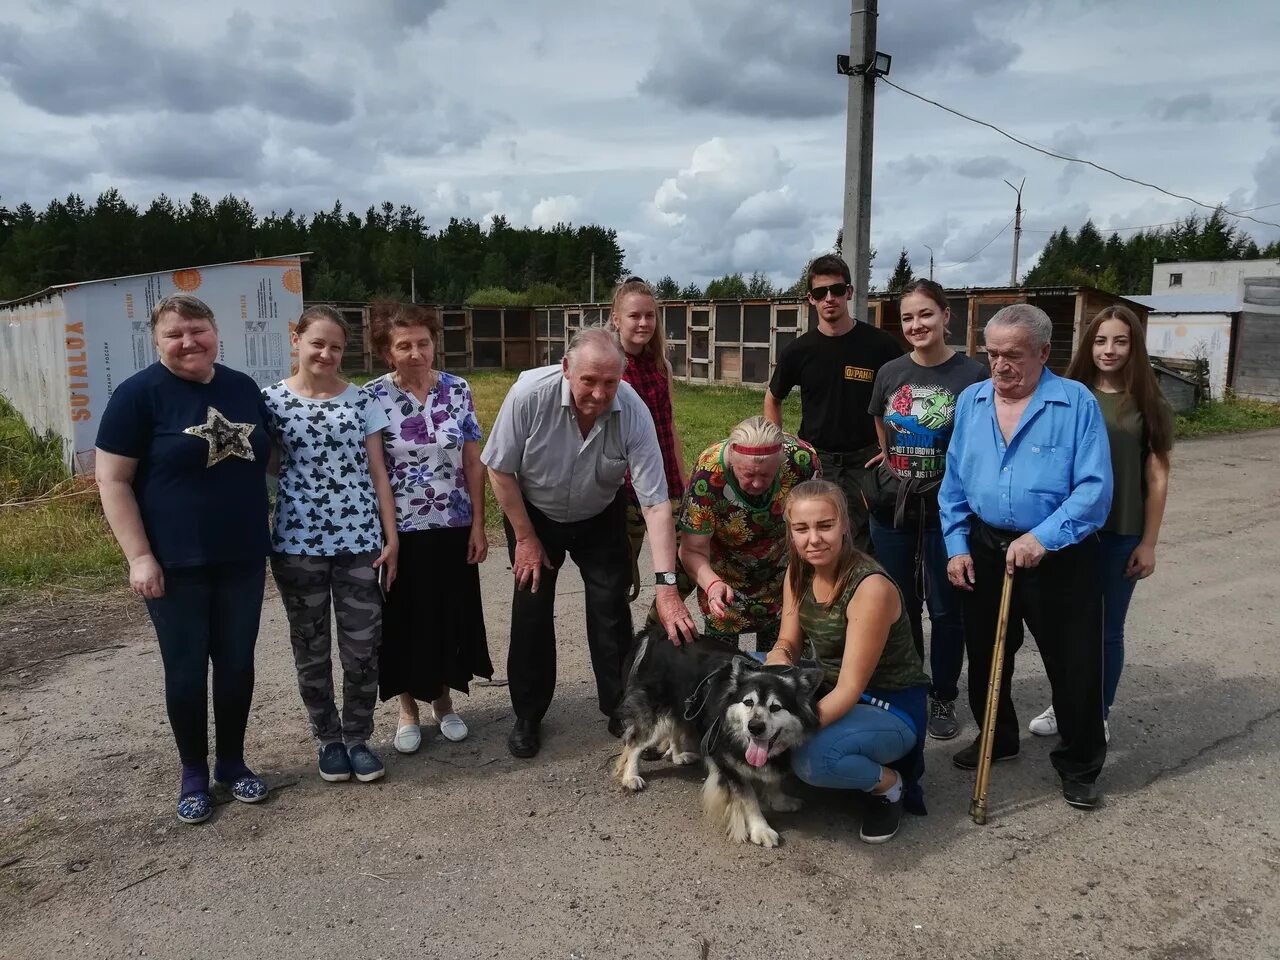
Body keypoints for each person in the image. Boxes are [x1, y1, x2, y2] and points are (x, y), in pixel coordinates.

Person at [96, 294, 272, 825]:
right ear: (156, 341)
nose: (188, 342)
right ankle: (193, 770)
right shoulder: (137, 396)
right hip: (174, 564)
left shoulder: (241, 388)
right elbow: (113, 480)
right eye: (174, 334)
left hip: (242, 555)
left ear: (216, 332)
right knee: (187, 669)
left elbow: (274, 458)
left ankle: (233, 763)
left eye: (197, 330)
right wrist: (140, 556)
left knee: (238, 664)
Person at [482, 327, 698, 759]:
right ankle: (528, 714)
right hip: (535, 510)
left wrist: (668, 588)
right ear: (566, 369)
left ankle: (620, 708)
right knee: (532, 605)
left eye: (610, 382)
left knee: (611, 607)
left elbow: (656, 503)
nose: (600, 393)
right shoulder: (528, 394)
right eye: (589, 380)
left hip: (600, 510)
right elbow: (500, 470)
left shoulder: (633, 411)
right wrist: (525, 538)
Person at [938, 303, 1113, 810]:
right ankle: (997, 737)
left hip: (1059, 552)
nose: (999, 366)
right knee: (988, 652)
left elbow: (1094, 491)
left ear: (1043, 352)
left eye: (1012, 355)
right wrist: (955, 546)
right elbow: (953, 484)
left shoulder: (1075, 403)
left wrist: (1043, 537)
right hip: (985, 546)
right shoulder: (971, 402)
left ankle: (1079, 762)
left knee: (1073, 659)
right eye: (991, 354)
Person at [263, 305, 398, 785]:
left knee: (363, 646)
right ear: (295, 340)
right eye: (317, 342)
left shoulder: (362, 401)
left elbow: (379, 473)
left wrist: (391, 536)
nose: (326, 353)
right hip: (297, 545)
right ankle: (328, 739)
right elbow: (268, 467)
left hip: (360, 542)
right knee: (310, 646)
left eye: (336, 346)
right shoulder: (270, 402)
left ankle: (359, 737)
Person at [1027, 305, 1172, 741]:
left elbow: (1157, 474)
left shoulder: (1148, 401)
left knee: (1107, 628)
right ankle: (1065, 704)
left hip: (1118, 531)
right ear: (1089, 344)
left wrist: (1148, 542)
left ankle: (1097, 713)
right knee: (1064, 627)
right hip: (1067, 528)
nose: (1110, 350)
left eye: (1121, 340)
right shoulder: (1066, 394)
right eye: (1102, 340)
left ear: (1134, 346)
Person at [763, 479, 930, 844]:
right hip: (828, 683)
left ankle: (889, 786)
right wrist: (771, 671)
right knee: (744, 676)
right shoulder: (798, 569)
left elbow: (851, 689)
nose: (813, 539)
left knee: (812, 760)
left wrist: (788, 730)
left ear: (845, 525)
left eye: (824, 526)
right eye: (801, 529)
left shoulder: (870, 588)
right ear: (790, 532)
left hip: (888, 703)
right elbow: (788, 641)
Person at [364, 300, 493, 755]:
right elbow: (376, 469)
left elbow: (473, 462)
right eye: (404, 346)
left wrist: (479, 522)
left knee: (447, 614)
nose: (416, 352)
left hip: (454, 522)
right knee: (404, 618)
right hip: (402, 528)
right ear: (387, 352)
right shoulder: (374, 396)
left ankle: (443, 700)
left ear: (434, 343)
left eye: (423, 343)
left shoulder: (458, 389)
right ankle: (407, 710)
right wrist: (389, 536)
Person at [867, 279, 987, 741]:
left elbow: (981, 438)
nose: (917, 325)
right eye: (908, 318)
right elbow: (880, 417)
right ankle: (911, 684)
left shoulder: (972, 376)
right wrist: (891, 456)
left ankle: (943, 695)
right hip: (895, 507)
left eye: (925, 315)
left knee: (946, 608)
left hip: (948, 510)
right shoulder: (891, 372)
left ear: (945, 316)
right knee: (900, 603)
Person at [764, 254, 903, 553]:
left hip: (866, 461)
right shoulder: (799, 351)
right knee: (817, 541)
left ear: (849, 292)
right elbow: (772, 399)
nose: (830, 298)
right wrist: (783, 449)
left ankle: (861, 597)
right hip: (817, 461)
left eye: (837, 290)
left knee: (864, 542)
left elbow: (904, 401)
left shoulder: (881, 346)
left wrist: (890, 447)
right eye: (820, 292)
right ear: (810, 299)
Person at [678, 416, 818, 651]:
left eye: (765, 475)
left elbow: (815, 525)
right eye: (748, 474)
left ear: (781, 459)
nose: (756, 484)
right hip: (724, 576)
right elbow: (691, 550)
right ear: (732, 456)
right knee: (722, 669)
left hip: (781, 575)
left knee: (780, 663)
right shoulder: (708, 471)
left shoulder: (802, 461)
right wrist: (711, 585)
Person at [609, 277, 693, 606]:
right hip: (624, 489)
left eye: (650, 315)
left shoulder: (662, 366)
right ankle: (620, 647)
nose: (644, 322)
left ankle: (657, 630)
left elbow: (668, 426)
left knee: (685, 564)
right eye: (634, 316)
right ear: (616, 319)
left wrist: (683, 484)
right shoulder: (610, 366)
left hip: (666, 484)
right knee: (619, 579)